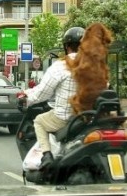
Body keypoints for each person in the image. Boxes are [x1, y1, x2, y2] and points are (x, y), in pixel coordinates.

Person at [19, 27, 85, 170]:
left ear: (67, 46)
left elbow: (43, 92)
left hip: (66, 117)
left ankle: (47, 156)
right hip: (89, 117)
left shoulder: (61, 66)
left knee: (39, 122)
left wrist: (26, 97)